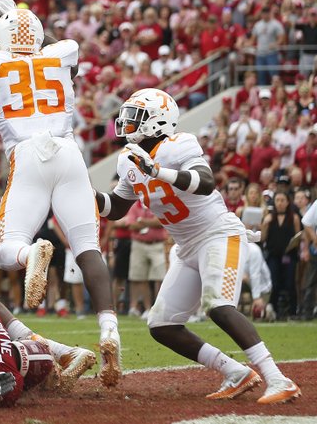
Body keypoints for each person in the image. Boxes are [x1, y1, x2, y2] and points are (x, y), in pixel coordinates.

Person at [0, 7, 121, 387]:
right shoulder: (62, 53)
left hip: (27, 154)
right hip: (68, 152)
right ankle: (110, 331)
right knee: (88, 247)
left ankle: (31, 255)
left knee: (9, 250)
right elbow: (62, 59)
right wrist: (22, 22)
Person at [94, 87, 300, 404]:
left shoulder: (179, 144)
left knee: (217, 305)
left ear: (157, 121)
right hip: (186, 247)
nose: (128, 122)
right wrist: (83, 193)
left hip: (219, 234)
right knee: (162, 325)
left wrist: (158, 171)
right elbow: (118, 208)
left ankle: (278, 378)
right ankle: (235, 371)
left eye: (136, 116)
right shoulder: (129, 160)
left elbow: (205, 183)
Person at [261, 191, 301, 318]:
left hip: (289, 255)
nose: (279, 203)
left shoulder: (294, 217)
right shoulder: (269, 218)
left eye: (282, 200)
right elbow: (263, 238)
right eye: (277, 200)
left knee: (290, 283)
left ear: (288, 202)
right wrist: (265, 224)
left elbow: (298, 236)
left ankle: (293, 311)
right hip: (273, 256)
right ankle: (274, 311)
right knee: (274, 282)